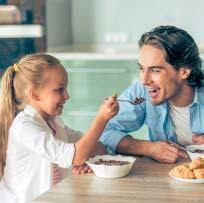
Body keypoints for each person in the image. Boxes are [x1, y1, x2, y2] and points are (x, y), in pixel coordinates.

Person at [0, 53, 119, 203]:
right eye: (59, 89)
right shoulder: (25, 127)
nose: (67, 96)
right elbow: (75, 155)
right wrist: (101, 119)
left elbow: (97, 147)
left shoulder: (55, 123)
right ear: (34, 94)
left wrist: (84, 161)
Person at [100, 25, 204, 164]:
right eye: (142, 69)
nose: (144, 80)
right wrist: (148, 148)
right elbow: (105, 133)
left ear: (183, 72)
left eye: (155, 70)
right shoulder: (143, 90)